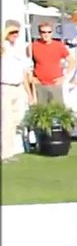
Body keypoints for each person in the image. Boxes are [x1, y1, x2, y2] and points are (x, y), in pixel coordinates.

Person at [1, 20, 32, 161]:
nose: (14, 35)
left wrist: (29, 93)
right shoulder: (3, 47)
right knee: (6, 120)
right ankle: (5, 153)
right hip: (5, 86)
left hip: (18, 87)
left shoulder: (19, 49)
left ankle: (10, 150)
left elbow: (24, 73)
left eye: (16, 32)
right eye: (12, 32)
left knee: (16, 119)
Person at [29, 22, 74, 105]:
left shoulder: (59, 46)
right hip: (40, 85)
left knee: (58, 111)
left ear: (52, 33)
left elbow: (72, 61)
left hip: (55, 84)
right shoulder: (33, 46)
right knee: (41, 112)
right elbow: (26, 65)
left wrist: (64, 77)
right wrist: (32, 77)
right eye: (43, 32)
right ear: (39, 33)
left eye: (49, 32)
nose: (46, 34)